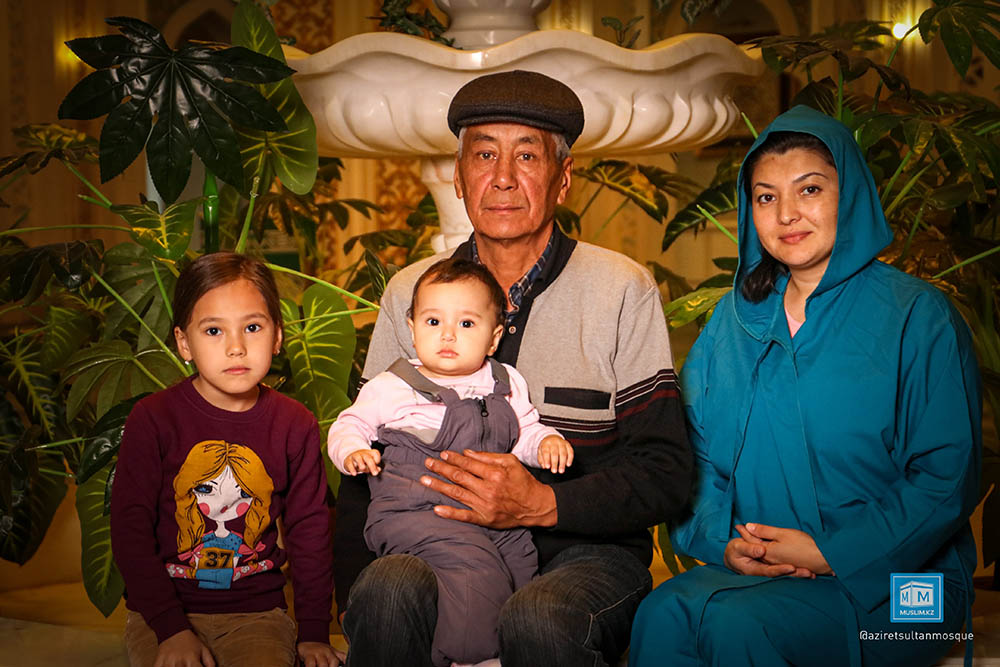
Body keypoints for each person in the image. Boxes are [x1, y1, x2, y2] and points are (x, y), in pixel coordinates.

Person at [333, 69, 693, 667]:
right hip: (433, 541)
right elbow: (364, 457)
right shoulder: (410, 294)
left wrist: (543, 504)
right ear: (458, 176)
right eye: (484, 155)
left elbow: (665, 471)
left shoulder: (621, 290)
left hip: (585, 552)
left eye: (526, 155)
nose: (502, 177)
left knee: (540, 618)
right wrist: (353, 600)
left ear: (563, 179)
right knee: (387, 593)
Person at [628, 106, 982, 667]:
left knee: (740, 627)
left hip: (910, 585)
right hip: (759, 572)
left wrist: (830, 552)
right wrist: (726, 543)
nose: (787, 214)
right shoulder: (731, 322)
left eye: (809, 189)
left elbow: (946, 477)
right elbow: (692, 454)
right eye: (766, 197)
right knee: (661, 615)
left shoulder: (919, 316)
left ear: (851, 194)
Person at [328, 257, 574, 666]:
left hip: (492, 514)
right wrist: (353, 451)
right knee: (473, 568)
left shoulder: (506, 381)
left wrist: (547, 442)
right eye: (433, 321)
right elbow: (350, 423)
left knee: (521, 562)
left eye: (466, 323)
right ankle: (469, 656)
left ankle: (483, 643)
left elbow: (524, 432)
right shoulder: (394, 385)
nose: (447, 335)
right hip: (417, 511)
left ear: (493, 338)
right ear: (411, 329)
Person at [111, 252, 341, 667]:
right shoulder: (153, 418)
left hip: (258, 614)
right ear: (184, 342)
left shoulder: (295, 423)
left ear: (277, 337)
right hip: (161, 616)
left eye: (252, 327)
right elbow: (130, 530)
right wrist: (170, 628)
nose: (236, 347)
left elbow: (309, 531)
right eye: (214, 330)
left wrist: (312, 632)